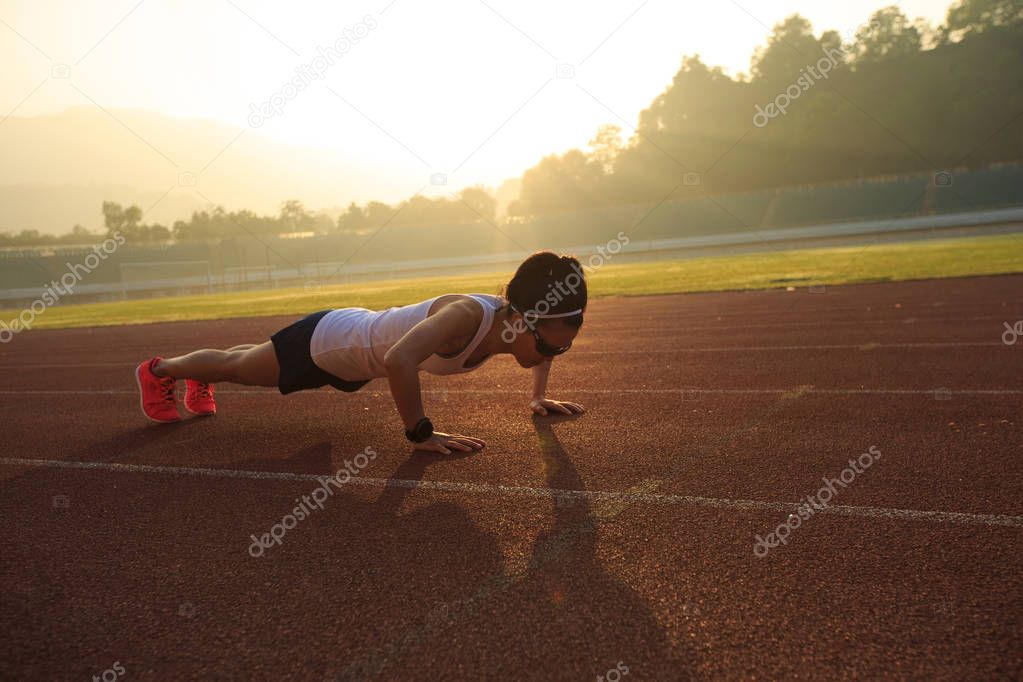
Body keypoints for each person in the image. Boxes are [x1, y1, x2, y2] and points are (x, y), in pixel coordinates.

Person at [134, 251, 587, 454]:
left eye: (564, 345)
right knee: (241, 366)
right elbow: (398, 360)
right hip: (329, 342)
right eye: (552, 344)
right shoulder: (467, 317)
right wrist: (421, 434)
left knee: (243, 359)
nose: (554, 352)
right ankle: (160, 369)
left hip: (355, 348)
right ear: (524, 319)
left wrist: (537, 396)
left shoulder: (516, 327)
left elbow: (543, 351)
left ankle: (200, 376)